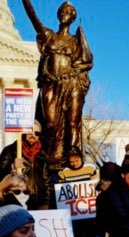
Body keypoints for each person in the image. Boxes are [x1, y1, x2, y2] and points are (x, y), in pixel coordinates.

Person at [22, 0, 93, 167]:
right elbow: (33, 17)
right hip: (52, 85)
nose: (64, 14)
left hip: (72, 84)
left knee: (72, 122)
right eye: (62, 11)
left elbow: (88, 61)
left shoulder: (76, 41)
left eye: (68, 12)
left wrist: (75, 73)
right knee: (50, 122)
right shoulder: (49, 36)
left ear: (73, 17)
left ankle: (72, 157)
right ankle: (55, 152)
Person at [58, 145, 98, 237]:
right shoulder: (64, 173)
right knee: (76, 236)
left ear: (81, 158)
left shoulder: (90, 168)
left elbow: (96, 186)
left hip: (88, 209)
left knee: (91, 235)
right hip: (73, 211)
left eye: (76, 161)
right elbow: (61, 192)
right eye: (71, 162)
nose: (74, 164)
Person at [0, 119, 52, 210]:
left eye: (37, 133)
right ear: (24, 133)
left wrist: (45, 203)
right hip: (14, 201)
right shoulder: (10, 151)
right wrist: (12, 167)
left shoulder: (42, 154)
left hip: (36, 204)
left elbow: (46, 182)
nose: (33, 136)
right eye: (30, 132)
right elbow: (1, 176)